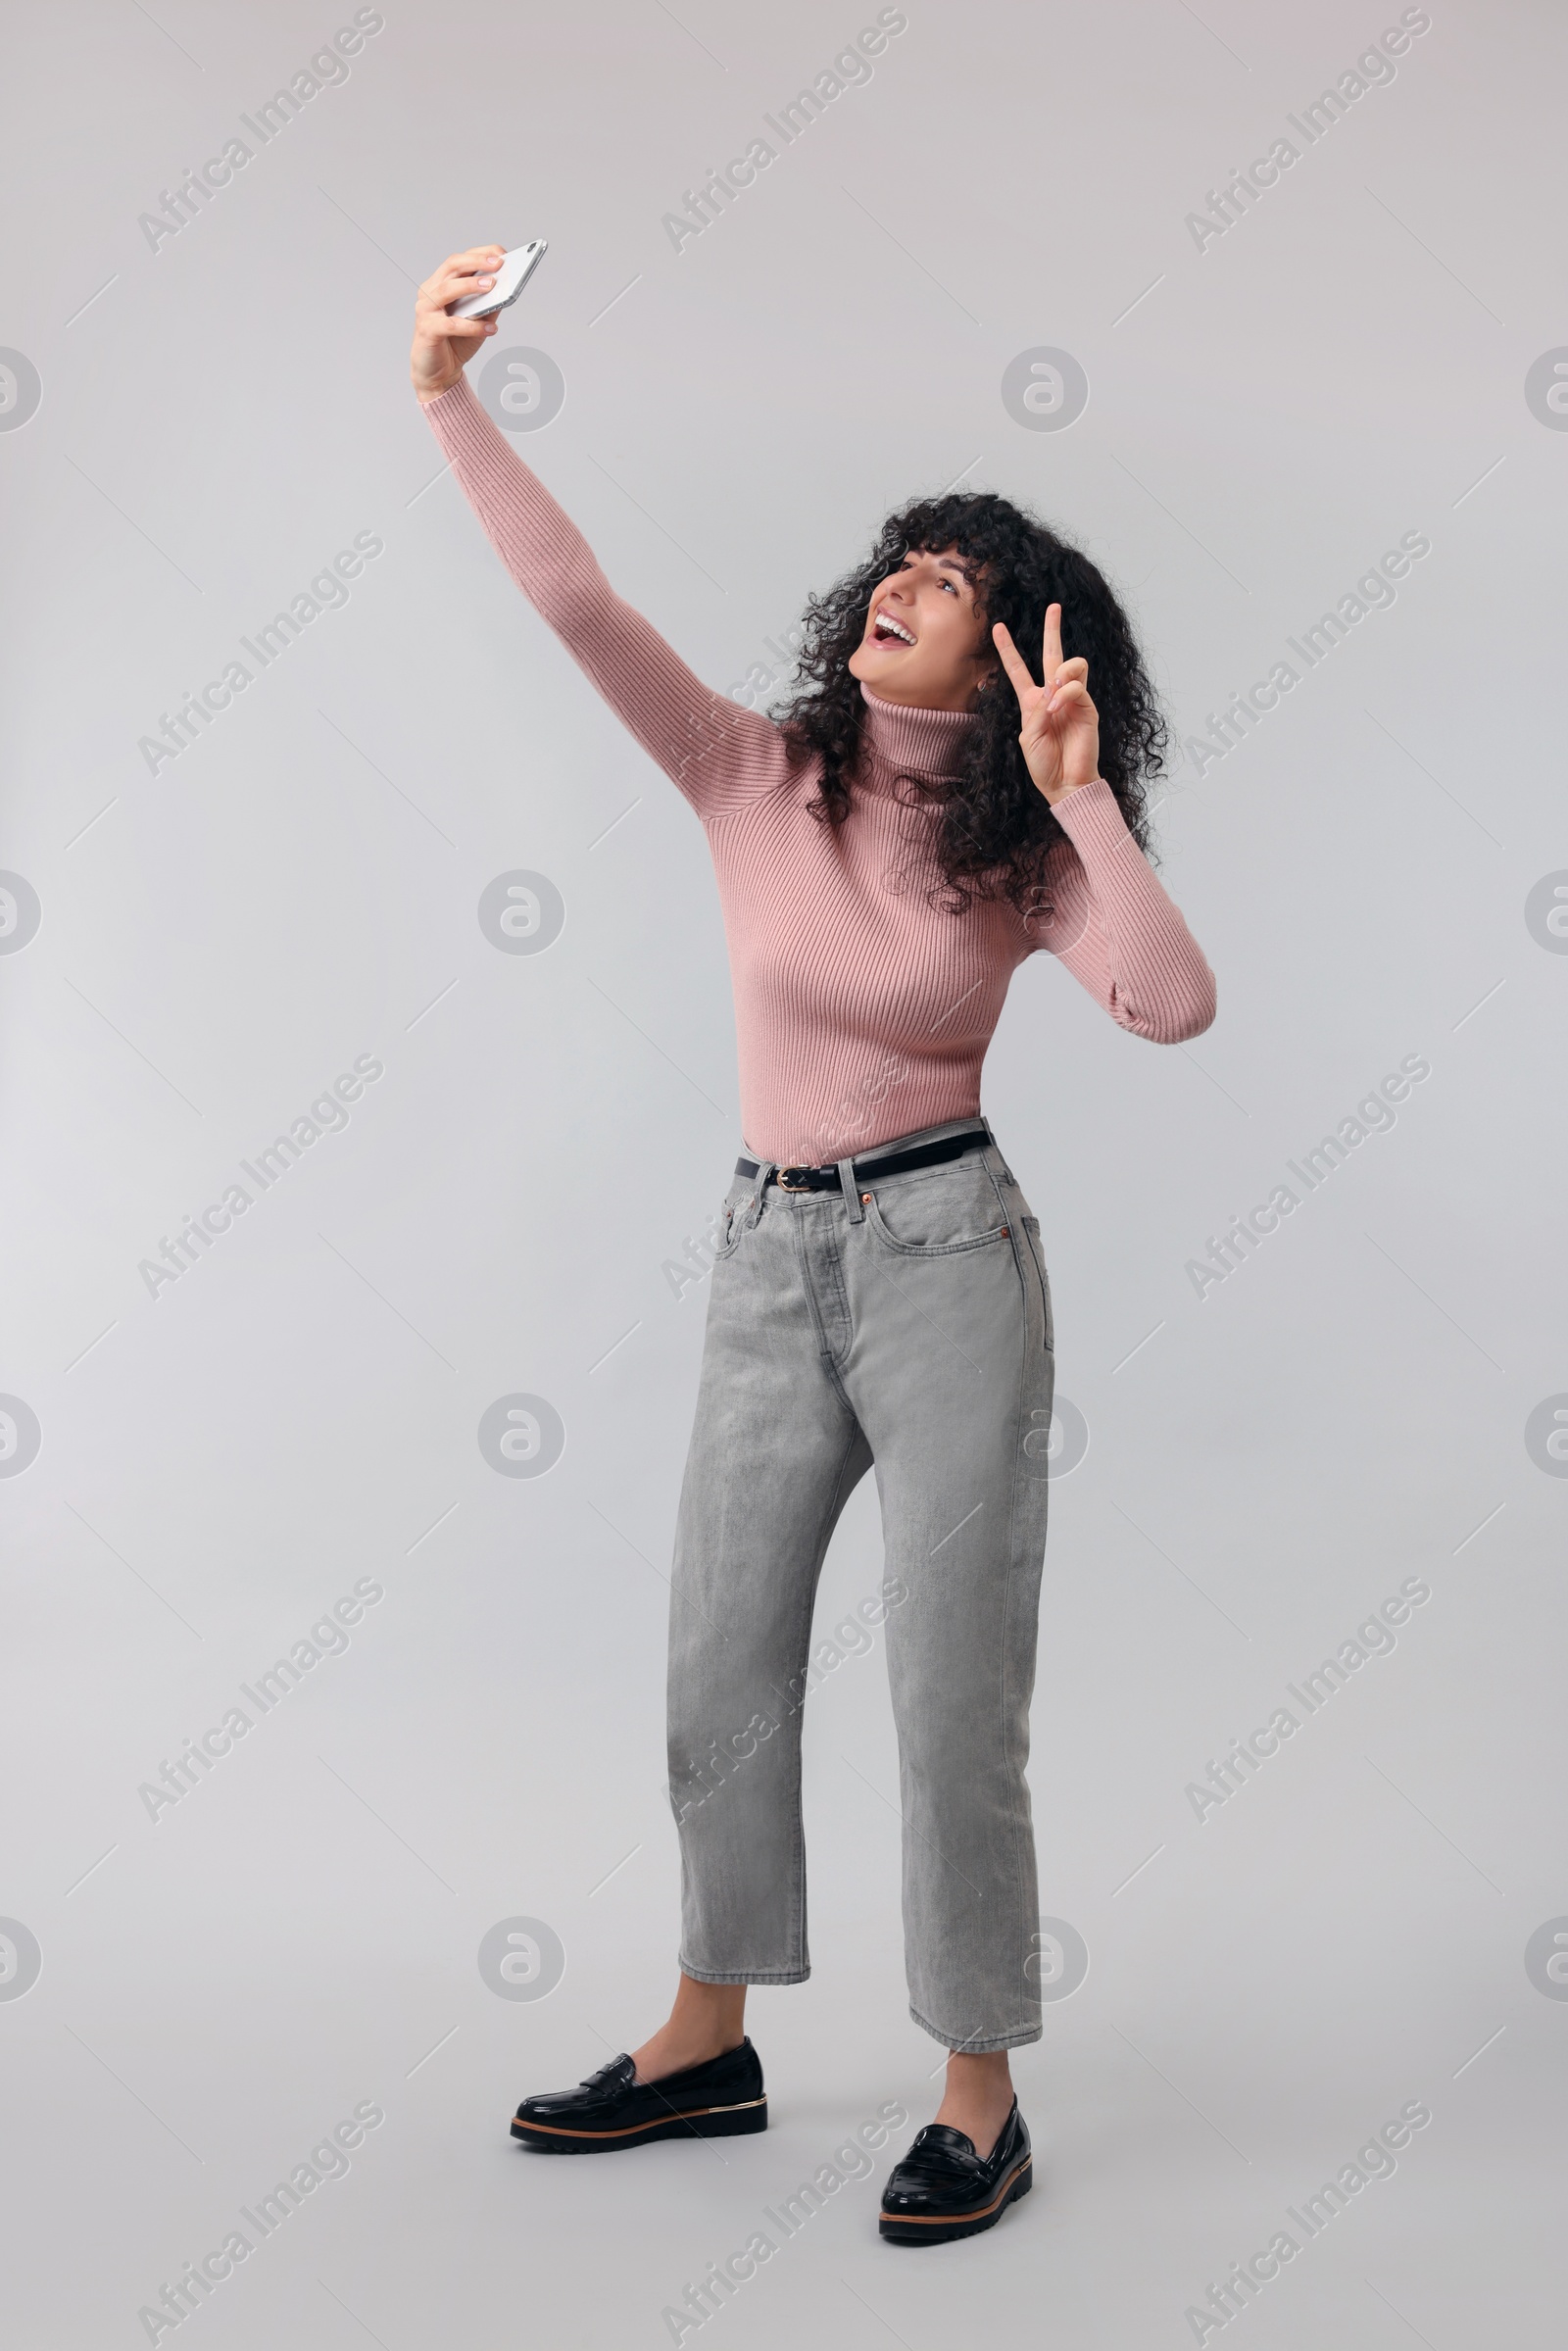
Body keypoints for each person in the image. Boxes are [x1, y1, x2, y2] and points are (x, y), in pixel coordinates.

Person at [411, 246, 1216, 2246]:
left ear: (1013, 645)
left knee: (952, 1690)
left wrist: (1079, 795)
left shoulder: (1019, 851)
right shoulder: (748, 777)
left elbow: (1168, 1001)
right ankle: (707, 2035)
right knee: (721, 1662)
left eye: (943, 577)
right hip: (767, 1261)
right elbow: (574, 598)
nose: (896, 583)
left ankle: (977, 2091)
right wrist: (442, 394)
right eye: (893, 560)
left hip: (948, 1264)